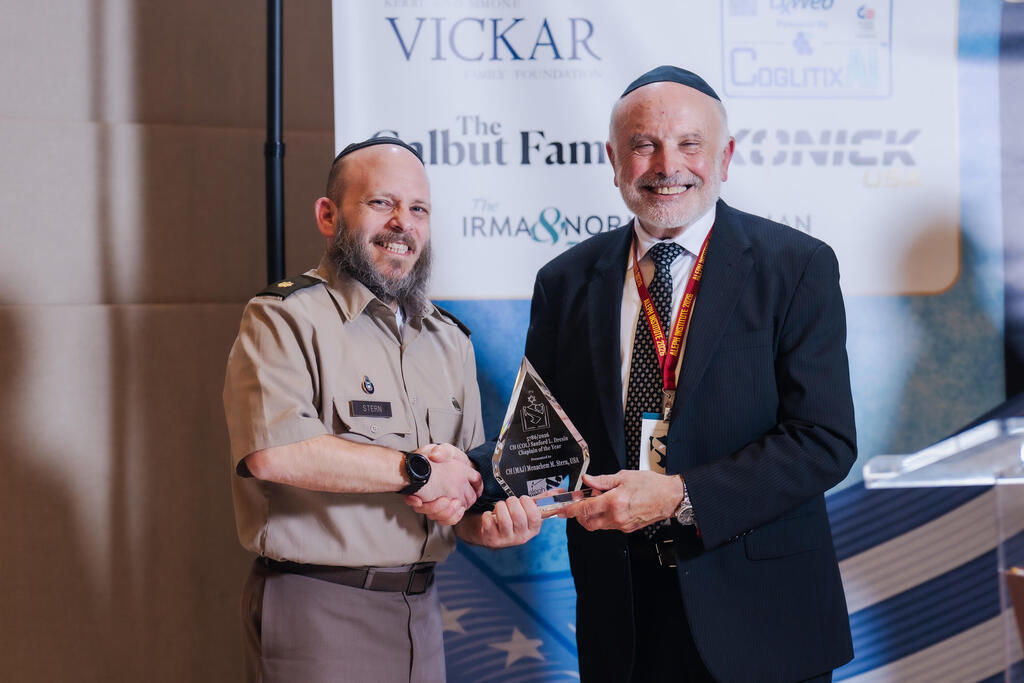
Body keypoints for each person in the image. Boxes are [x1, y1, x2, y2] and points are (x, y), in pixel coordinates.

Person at [528, 66, 857, 682]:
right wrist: (472, 479)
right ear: (614, 158)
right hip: (623, 621)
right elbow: (541, 437)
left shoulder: (797, 267)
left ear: (726, 156)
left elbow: (824, 442)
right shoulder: (565, 281)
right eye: (643, 144)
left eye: (688, 143)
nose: (666, 164)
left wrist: (682, 493)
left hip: (763, 617)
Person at [222, 137, 540, 683]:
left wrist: (485, 524)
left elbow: (459, 494)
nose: (403, 223)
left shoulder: (449, 340)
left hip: (422, 611)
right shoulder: (283, 318)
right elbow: (272, 453)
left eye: (418, 209)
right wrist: (415, 470)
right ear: (328, 215)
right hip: (318, 609)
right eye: (380, 203)